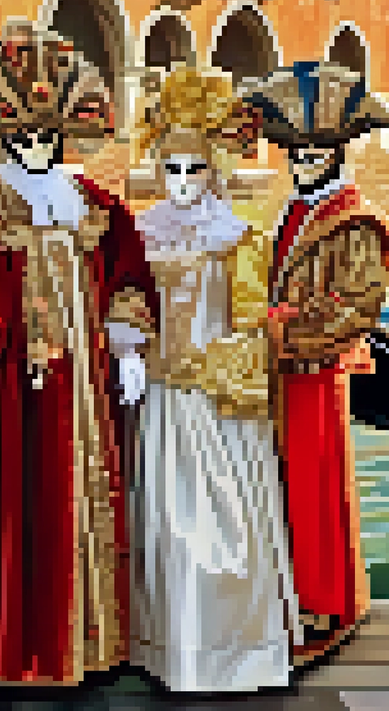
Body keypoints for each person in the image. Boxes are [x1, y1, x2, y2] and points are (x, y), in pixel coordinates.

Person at [0, 19, 158, 687]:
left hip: (85, 386)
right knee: (2, 504)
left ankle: (88, 639)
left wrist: (129, 342)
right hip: (4, 388)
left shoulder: (96, 205)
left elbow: (130, 277)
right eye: (25, 137)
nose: (39, 147)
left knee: (83, 498)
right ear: (3, 135)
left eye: (49, 136)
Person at [125, 66, 299, 693]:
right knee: (166, 519)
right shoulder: (140, 232)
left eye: (192, 170)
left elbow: (251, 319)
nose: (179, 183)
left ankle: (233, 650)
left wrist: (228, 367)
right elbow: (127, 305)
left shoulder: (240, 235)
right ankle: (169, 646)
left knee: (227, 514)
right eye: (170, 169)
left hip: (218, 394)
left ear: (215, 167)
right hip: (161, 396)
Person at [240, 61, 389, 667]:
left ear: (336, 153)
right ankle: (294, 598)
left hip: (314, 374)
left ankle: (327, 605)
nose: (304, 165)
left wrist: (276, 332)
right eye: (297, 154)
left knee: (314, 489)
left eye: (316, 154)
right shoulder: (293, 209)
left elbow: (354, 312)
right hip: (281, 376)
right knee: (282, 489)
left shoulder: (353, 221)